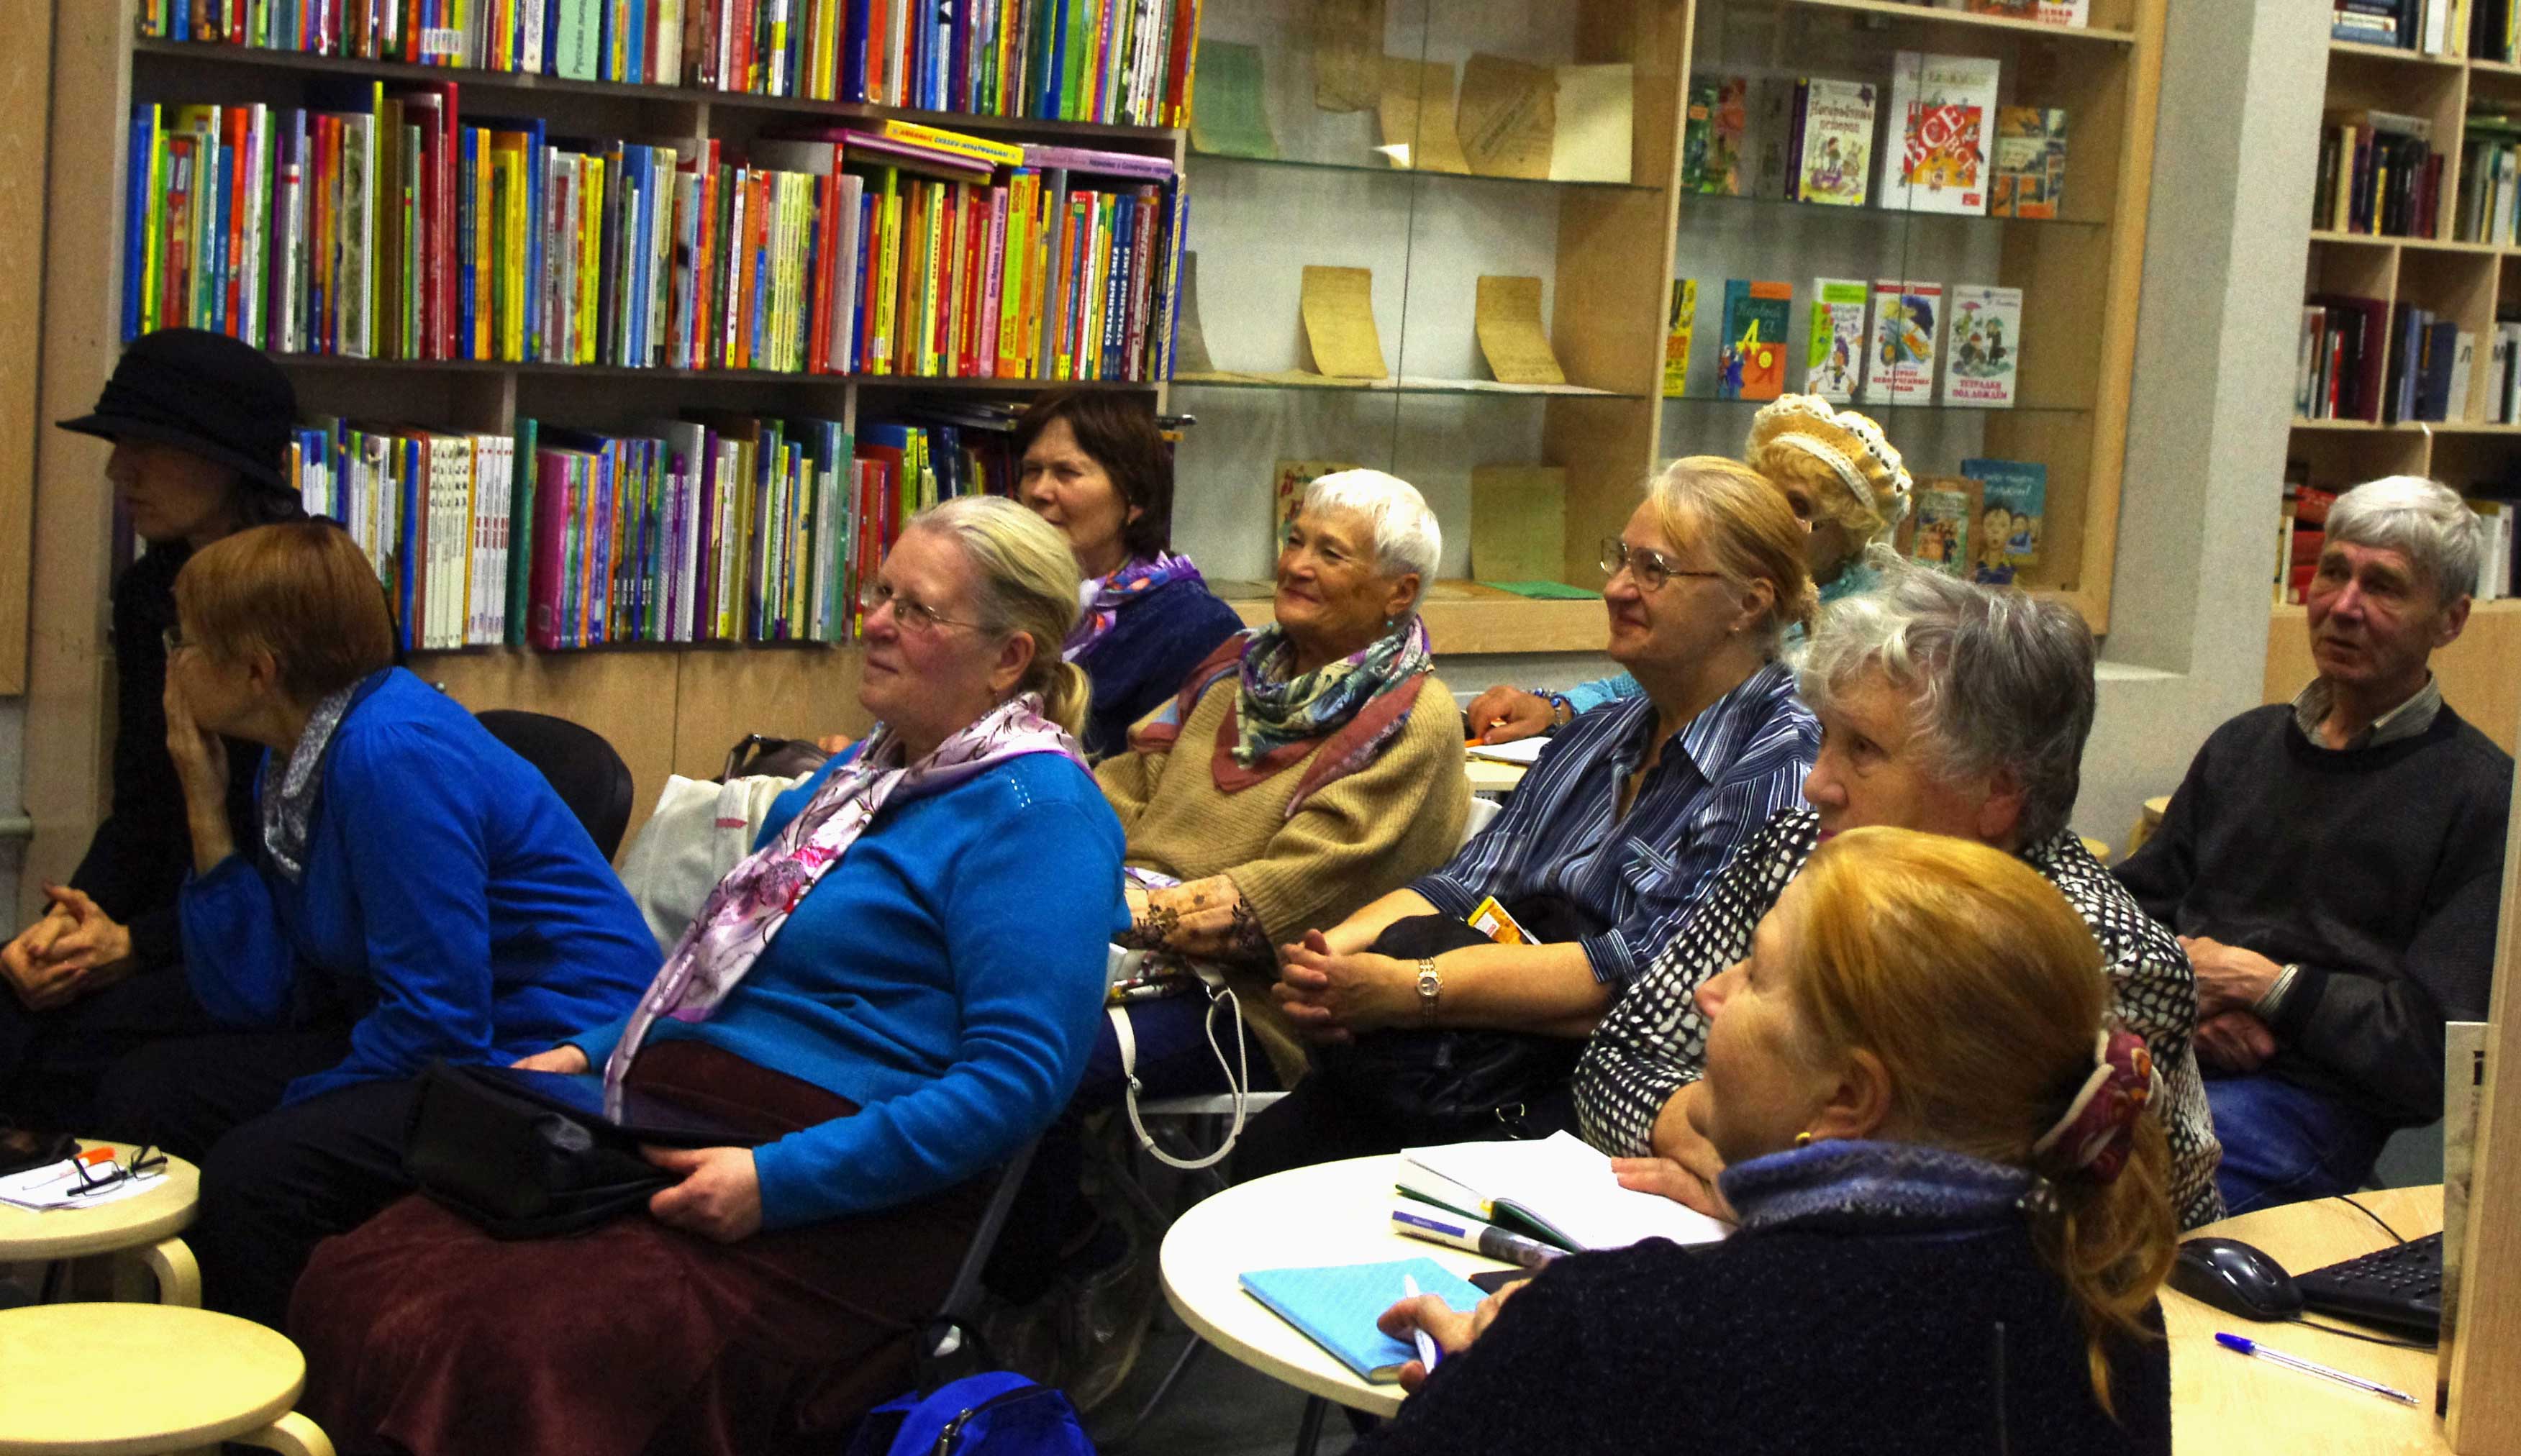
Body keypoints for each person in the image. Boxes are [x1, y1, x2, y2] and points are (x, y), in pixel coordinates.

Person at [288, 496, 1128, 1456]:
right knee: (359, 1275)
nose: (876, 622)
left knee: (507, 1344)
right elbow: (722, 971)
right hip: (684, 1115)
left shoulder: (1039, 813)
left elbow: (1015, 1083)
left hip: (845, 1194)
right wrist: (586, 1051)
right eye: (879, 592)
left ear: (1009, 658)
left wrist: (776, 1181)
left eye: (917, 609)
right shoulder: (859, 778)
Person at [1363, 829, 2175, 1455]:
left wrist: (1484, 1387)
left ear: (1848, 1097)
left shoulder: (1615, 1333)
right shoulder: (2109, 1307)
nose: (1709, 994)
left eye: (1753, 974)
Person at [83, 522, 657, 1324]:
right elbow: (258, 996)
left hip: (550, 1059)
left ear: (257, 671)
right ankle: (143, 1351)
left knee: (257, 1171)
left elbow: (442, 1021)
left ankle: (280, 1389)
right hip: (433, 1031)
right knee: (147, 1091)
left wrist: (296, 1102)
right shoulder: (292, 752)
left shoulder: (388, 754)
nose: (172, 663)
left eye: (186, 643)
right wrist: (204, 805)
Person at [1575, 558, 2225, 1229]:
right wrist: (1710, 1150)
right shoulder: (1800, 853)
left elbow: (1986, 1227)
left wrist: (1765, 1187)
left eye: (1863, 749)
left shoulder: (2091, 959)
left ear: (1997, 790)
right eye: (1824, 738)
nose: (1816, 785)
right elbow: (1614, 1061)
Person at [1243, 458, 1819, 1177]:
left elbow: (1636, 979)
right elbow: (1465, 884)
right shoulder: (1599, 734)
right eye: (1621, 558)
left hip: (1600, 1097)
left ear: (1748, 604)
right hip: (1473, 1055)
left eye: (1655, 570)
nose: (1616, 588)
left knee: (1327, 1172)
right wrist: (1330, 959)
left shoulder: (1778, 767)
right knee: (1275, 1151)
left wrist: (1413, 989)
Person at [2117, 476, 2512, 1214]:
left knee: (2104, 1204)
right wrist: (2192, 1006)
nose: (2344, 606)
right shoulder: (2244, 745)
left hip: (2305, 1103)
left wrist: (2267, 986)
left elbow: (2433, 1052)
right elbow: (2126, 917)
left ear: (2451, 620)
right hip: (2167, 1048)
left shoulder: (2483, 798)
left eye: (2383, 586)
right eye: (2333, 572)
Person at [0, 328, 306, 1131]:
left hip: (277, 949)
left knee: (80, 1064)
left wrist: (139, 944)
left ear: (227, 458)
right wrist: (70, 924)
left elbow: (306, 865)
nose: (118, 471)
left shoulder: (310, 598)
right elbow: (141, 808)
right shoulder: (150, 594)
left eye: (146, 446)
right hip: (169, 920)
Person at [1092, 468, 1468, 1101]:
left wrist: (1091, 907)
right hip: (1118, 945)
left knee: (1029, 1061)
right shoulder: (1233, 669)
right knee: (950, 1020)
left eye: (1331, 554)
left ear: (1399, 592)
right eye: (1295, 541)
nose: (1295, 565)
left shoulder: (1413, 719)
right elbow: (1121, 787)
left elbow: (1280, 903)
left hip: (1249, 1004)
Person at [1465, 394, 1910, 742]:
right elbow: (1648, 684)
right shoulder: (1726, 588)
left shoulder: (1865, 632)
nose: (1767, 518)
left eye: (1798, 506)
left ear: (1848, 532)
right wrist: (1556, 708)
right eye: (1761, 496)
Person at [1016, 388, 1245, 760]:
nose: (1039, 492)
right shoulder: (1009, 594)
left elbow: (1166, 780)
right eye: (1031, 471)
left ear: (1135, 498)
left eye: (1066, 473)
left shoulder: (1197, 629)